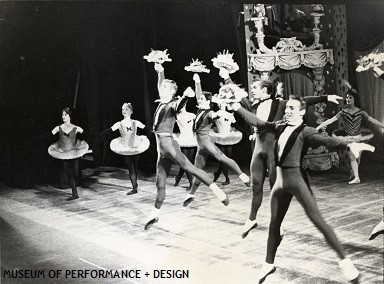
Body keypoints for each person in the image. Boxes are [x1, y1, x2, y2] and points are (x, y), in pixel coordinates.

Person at [228, 95, 373, 284]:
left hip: (295, 180)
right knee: (274, 224)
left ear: (302, 112)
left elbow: (327, 141)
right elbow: (260, 122)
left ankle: (346, 263)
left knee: (318, 220)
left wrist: (350, 144)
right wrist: (237, 107)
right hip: (279, 183)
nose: (287, 111)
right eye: (287, 107)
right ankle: (268, 264)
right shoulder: (279, 126)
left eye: (292, 108)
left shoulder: (306, 131)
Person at [236, 78, 343, 238]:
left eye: (255, 88)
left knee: (275, 187)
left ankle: (277, 223)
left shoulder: (280, 103)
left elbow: (304, 101)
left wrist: (325, 97)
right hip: (258, 147)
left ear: (265, 90)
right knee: (256, 184)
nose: (252, 90)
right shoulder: (255, 105)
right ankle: (252, 218)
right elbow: (254, 119)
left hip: (272, 149)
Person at [145, 62, 228, 230]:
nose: (161, 88)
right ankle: (154, 214)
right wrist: (160, 71)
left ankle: (217, 191)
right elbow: (161, 84)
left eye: (166, 87)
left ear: (171, 91)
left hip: (169, 146)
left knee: (189, 168)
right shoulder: (163, 100)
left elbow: (179, 104)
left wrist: (185, 96)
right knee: (160, 184)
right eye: (162, 86)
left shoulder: (172, 104)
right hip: (161, 150)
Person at [183, 74, 250, 207]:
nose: (199, 99)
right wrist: (197, 82)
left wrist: (219, 113)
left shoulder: (208, 113)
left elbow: (214, 115)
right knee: (198, 171)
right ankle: (191, 194)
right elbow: (198, 95)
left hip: (207, 143)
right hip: (200, 147)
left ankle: (243, 176)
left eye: (202, 99)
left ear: (208, 102)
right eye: (200, 98)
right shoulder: (200, 109)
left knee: (222, 158)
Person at [316, 85, 382, 184]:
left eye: (350, 97)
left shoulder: (361, 112)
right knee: (352, 156)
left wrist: (382, 125)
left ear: (354, 99)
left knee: (357, 157)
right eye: (347, 98)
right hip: (348, 137)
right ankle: (356, 177)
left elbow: (371, 119)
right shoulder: (343, 112)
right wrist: (318, 127)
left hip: (359, 137)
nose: (348, 99)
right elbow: (331, 120)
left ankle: (354, 173)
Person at [100, 103, 150, 195]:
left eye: (126, 109)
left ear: (131, 111)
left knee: (135, 167)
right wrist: (98, 135)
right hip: (125, 148)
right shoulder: (119, 124)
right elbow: (109, 130)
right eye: (123, 109)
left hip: (135, 146)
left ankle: (135, 184)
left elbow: (147, 128)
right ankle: (134, 187)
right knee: (131, 168)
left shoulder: (135, 122)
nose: (124, 111)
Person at [48, 107, 89, 200]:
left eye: (65, 114)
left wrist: (98, 136)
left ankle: (76, 186)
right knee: (69, 173)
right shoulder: (58, 128)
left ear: (69, 116)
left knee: (76, 174)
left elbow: (87, 134)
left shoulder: (76, 128)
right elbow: (49, 135)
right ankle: (75, 193)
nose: (63, 116)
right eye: (62, 114)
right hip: (63, 153)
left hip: (74, 153)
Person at [210, 102, 243, 185]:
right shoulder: (215, 114)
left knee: (226, 160)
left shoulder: (230, 115)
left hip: (228, 138)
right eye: (220, 103)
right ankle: (227, 178)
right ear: (218, 104)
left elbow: (236, 125)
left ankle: (217, 173)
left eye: (223, 103)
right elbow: (210, 124)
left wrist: (245, 132)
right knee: (223, 159)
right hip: (220, 138)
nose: (221, 104)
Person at [173, 104, 198, 187]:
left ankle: (178, 177)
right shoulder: (177, 116)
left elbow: (197, 125)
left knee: (188, 162)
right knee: (185, 163)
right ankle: (191, 183)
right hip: (183, 140)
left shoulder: (192, 115)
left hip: (191, 139)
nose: (182, 106)